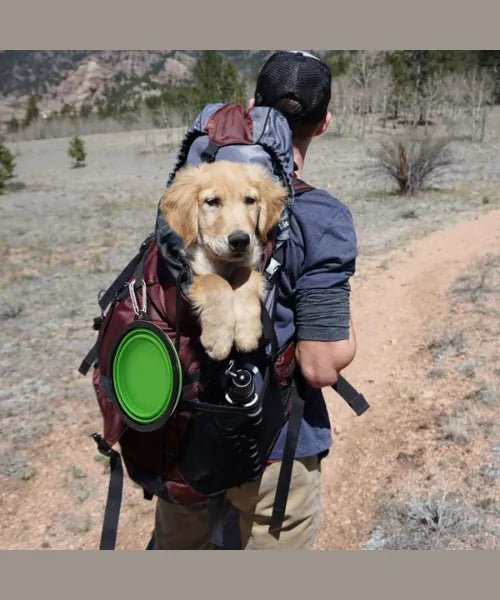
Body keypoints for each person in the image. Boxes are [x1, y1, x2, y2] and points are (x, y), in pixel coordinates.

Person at [153, 50, 358, 550]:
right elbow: (320, 364)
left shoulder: (190, 195)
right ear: (324, 122)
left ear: (254, 108)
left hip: (181, 432)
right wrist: (348, 334)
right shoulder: (324, 217)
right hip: (272, 450)